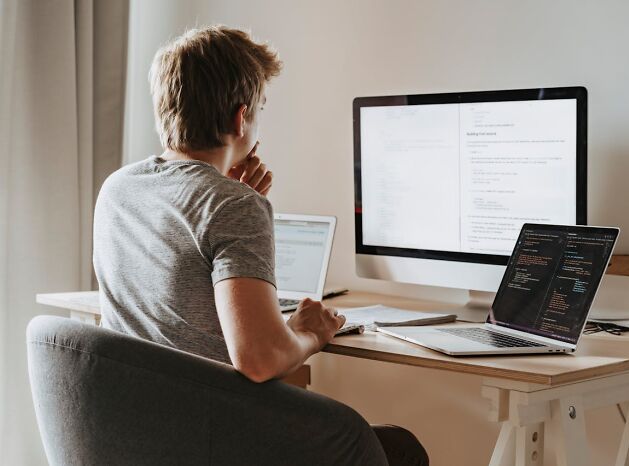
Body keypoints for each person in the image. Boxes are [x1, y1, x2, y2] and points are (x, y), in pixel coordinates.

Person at [92, 25, 428, 466]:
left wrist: (232, 196)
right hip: (210, 437)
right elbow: (260, 358)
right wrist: (310, 331)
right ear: (240, 118)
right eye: (261, 110)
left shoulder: (119, 188)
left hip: (137, 435)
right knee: (399, 447)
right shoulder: (233, 204)